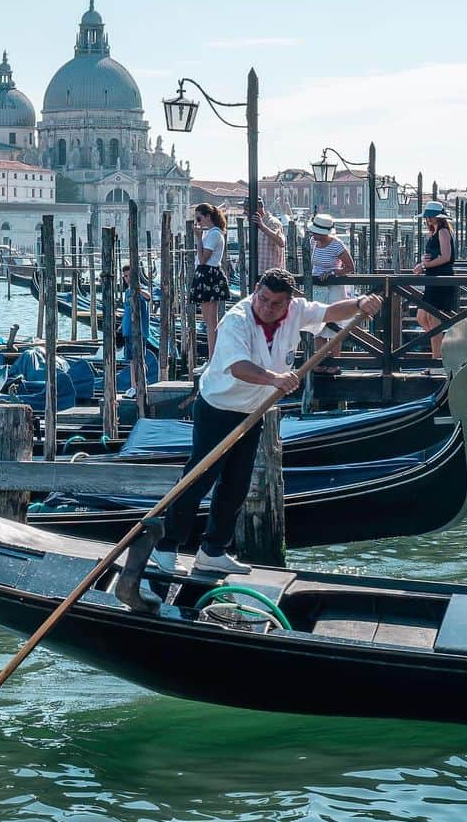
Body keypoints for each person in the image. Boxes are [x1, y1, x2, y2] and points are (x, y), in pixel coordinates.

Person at [146, 270, 383, 582]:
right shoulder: (236, 320)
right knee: (199, 478)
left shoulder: (296, 310)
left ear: (289, 302)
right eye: (264, 299)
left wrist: (360, 303)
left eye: (276, 303)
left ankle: (212, 551)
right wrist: (275, 379)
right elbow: (237, 366)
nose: (268, 307)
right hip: (218, 406)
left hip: (253, 410)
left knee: (237, 484)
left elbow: (328, 312)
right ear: (256, 291)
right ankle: (164, 547)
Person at [307, 213, 356, 374]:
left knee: (334, 325)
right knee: (317, 325)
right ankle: (320, 363)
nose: (312, 234)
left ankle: (335, 363)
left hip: (334, 288)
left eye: (315, 231)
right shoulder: (313, 242)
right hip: (318, 287)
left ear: (324, 232)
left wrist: (334, 272)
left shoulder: (336, 245)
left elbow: (350, 267)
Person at [411, 200, 457, 364]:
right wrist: (424, 263)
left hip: (441, 279)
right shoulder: (434, 232)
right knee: (422, 318)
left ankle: (437, 358)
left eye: (431, 216)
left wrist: (424, 265)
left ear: (439, 218)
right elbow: (434, 256)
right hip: (433, 279)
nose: (428, 219)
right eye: (427, 217)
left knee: (433, 320)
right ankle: (443, 349)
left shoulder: (443, 232)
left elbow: (446, 257)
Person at [189, 203, 230, 358]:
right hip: (207, 274)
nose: (198, 222)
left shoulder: (213, 234)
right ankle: (213, 355)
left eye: (199, 218)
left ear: (207, 216)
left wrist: (198, 238)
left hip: (208, 273)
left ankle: (214, 356)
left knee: (211, 320)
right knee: (208, 319)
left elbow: (203, 258)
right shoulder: (212, 233)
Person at [119, 265, 151, 393]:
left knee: (139, 359)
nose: (127, 279)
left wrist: (138, 290)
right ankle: (133, 386)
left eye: (129, 276)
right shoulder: (126, 292)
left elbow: (148, 297)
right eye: (125, 276)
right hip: (127, 331)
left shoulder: (141, 290)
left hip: (139, 331)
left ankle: (142, 383)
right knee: (131, 360)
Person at [250, 198, 286, 271]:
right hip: (261, 274)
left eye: (247, 209)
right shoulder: (256, 224)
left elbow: (281, 242)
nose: (244, 212)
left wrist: (262, 226)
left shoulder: (273, 222)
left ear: (257, 209)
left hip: (273, 276)